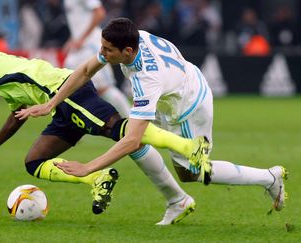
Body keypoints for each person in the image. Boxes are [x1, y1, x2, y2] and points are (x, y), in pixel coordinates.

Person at [15, 18, 288, 217]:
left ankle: (269, 178)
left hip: (188, 106)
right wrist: (51, 103)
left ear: (128, 52)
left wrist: (89, 168)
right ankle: (177, 202)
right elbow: (86, 70)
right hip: (172, 93)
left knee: (190, 173)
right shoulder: (130, 38)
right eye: (103, 47)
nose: (103, 53)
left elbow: (132, 140)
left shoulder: (147, 78)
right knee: (133, 135)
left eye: (108, 50)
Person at [0, 50, 209, 220]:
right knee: (35, 160)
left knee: (120, 128)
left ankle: (189, 146)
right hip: (60, 108)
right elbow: (17, 114)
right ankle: (97, 179)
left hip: (68, 92)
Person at [63, 0, 131, 117]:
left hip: (91, 45)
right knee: (69, 82)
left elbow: (100, 13)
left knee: (104, 88)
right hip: (79, 47)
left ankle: (132, 118)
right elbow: (79, 22)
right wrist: (73, 40)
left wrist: (82, 38)